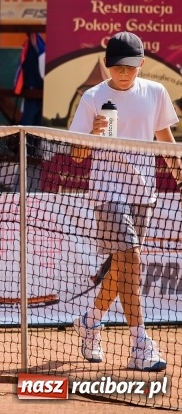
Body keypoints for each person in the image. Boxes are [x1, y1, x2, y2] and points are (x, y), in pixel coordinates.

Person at [69, 31, 177, 372]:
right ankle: (139, 343)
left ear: (142, 64)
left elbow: (165, 140)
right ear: (107, 65)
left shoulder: (156, 92)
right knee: (131, 259)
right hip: (107, 192)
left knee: (121, 268)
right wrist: (94, 134)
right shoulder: (93, 97)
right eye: (117, 67)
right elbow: (76, 154)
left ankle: (89, 320)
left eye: (130, 67)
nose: (124, 73)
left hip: (142, 193)